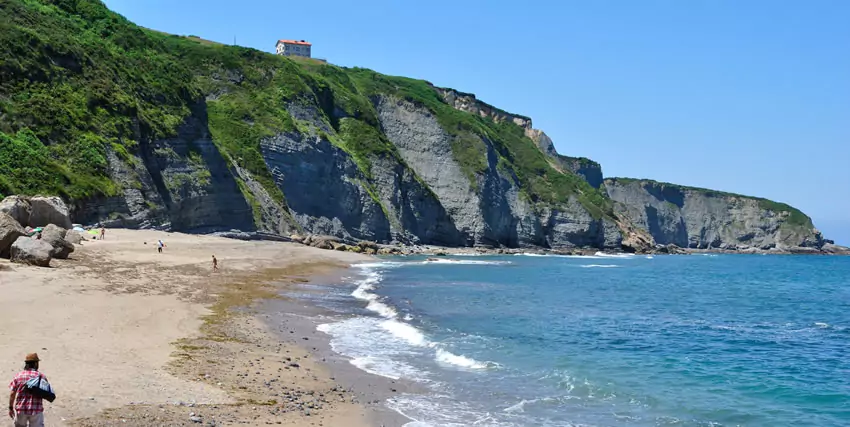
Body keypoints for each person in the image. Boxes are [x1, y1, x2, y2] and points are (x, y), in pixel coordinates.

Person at [8, 353, 48, 427]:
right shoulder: (41, 376)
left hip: (21, 409)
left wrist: (10, 407)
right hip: (36, 410)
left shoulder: (18, 375)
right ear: (36, 363)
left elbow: (12, 393)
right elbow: (47, 393)